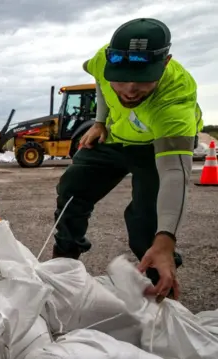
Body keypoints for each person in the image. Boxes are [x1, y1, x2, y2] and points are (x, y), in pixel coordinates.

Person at [52, 18, 204, 302]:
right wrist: (99, 121)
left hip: (155, 146)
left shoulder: (176, 97)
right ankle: (62, 267)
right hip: (116, 136)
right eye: (120, 78)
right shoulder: (101, 59)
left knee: (146, 220)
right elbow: (99, 77)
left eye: (143, 78)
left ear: (166, 62)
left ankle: (163, 291)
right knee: (73, 188)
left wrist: (166, 239)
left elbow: (174, 173)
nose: (130, 90)